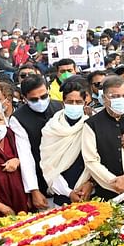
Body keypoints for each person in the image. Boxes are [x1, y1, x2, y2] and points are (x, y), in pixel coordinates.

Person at [82, 75, 124, 199]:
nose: (120, 99)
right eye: (115, 96)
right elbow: (91, 160)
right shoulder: (92, 124)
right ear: (104, 98)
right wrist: (114, 182)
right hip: (107, 189)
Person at [10, 75, 62, 209]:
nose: (40, 101)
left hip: (67, 175)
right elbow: (25, 156)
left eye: (44, 97)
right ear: (24, 98)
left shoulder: (60, 107)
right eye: (34, 99)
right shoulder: (18, 119)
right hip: (41, 180)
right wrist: (34, 190)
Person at [40, 77, 94, 205]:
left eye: (78, 102)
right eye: (70, 102)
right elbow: (49, 166)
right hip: (62, 196)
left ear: (85, 103)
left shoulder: (91, 125)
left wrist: (90, 183)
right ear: (63, 103)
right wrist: (68, 192)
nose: (74, 105)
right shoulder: (51, 129)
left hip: (88, 193)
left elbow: (98, 160)